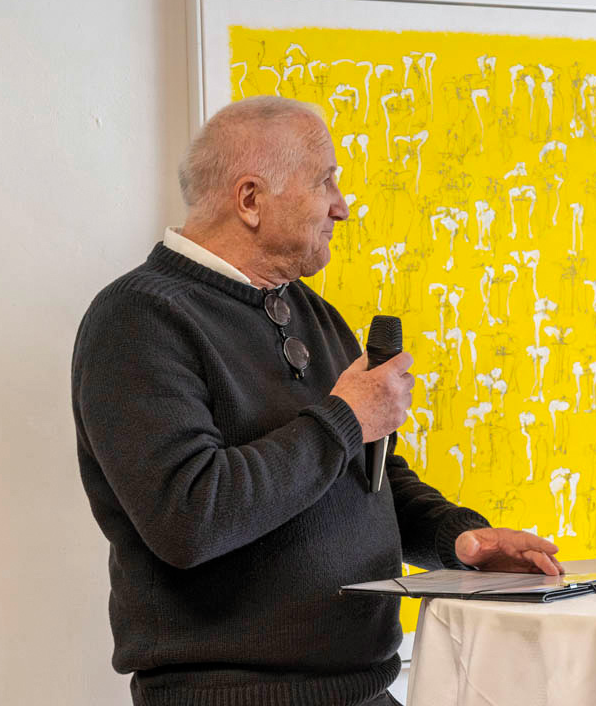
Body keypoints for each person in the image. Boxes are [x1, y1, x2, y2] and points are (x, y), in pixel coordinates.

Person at [72, 96, 562, 706]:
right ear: (250, 199)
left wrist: (459, 541)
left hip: (365, 689)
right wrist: (345, 417)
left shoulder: (315, 315)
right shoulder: (139, 318)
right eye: (325, 181)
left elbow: (369, 478)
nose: (342, 206)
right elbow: (189, 519)